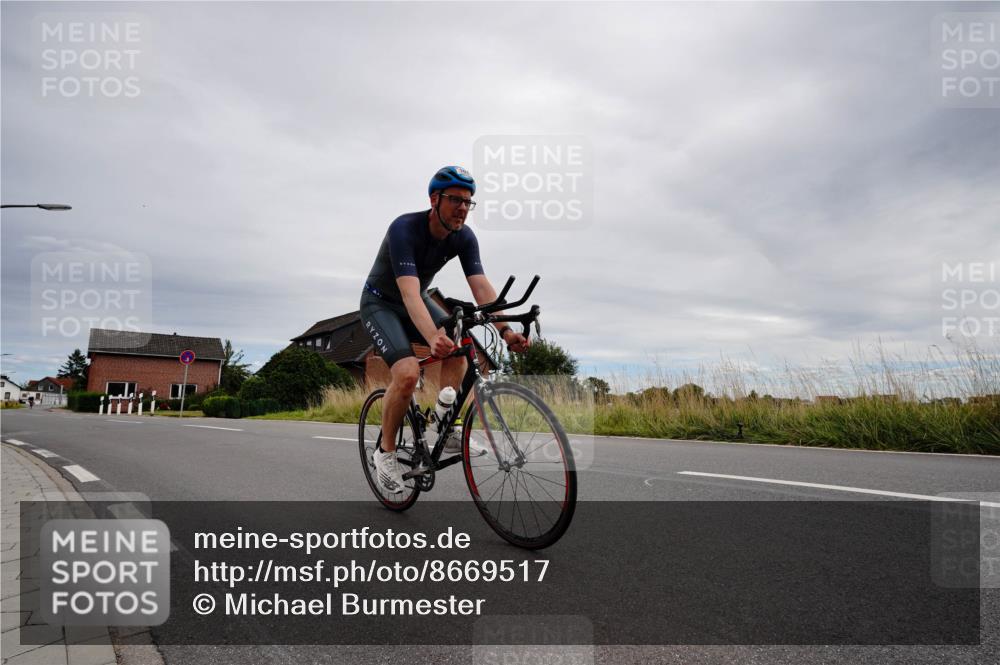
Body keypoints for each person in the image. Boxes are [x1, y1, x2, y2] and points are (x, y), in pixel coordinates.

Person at [361, 166, 530, 494]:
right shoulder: (404, 229)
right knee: (408, 374)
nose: (463, 208)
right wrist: (432, 337)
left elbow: (480, 286)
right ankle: (386, 451)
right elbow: (409, 294)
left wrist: (507, 331)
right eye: (456, 200)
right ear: (434, 199)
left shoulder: (464, 236)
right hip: (381, 303)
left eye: (469, 202)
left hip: (417, 299)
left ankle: (445, 423)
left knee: (459, 348)